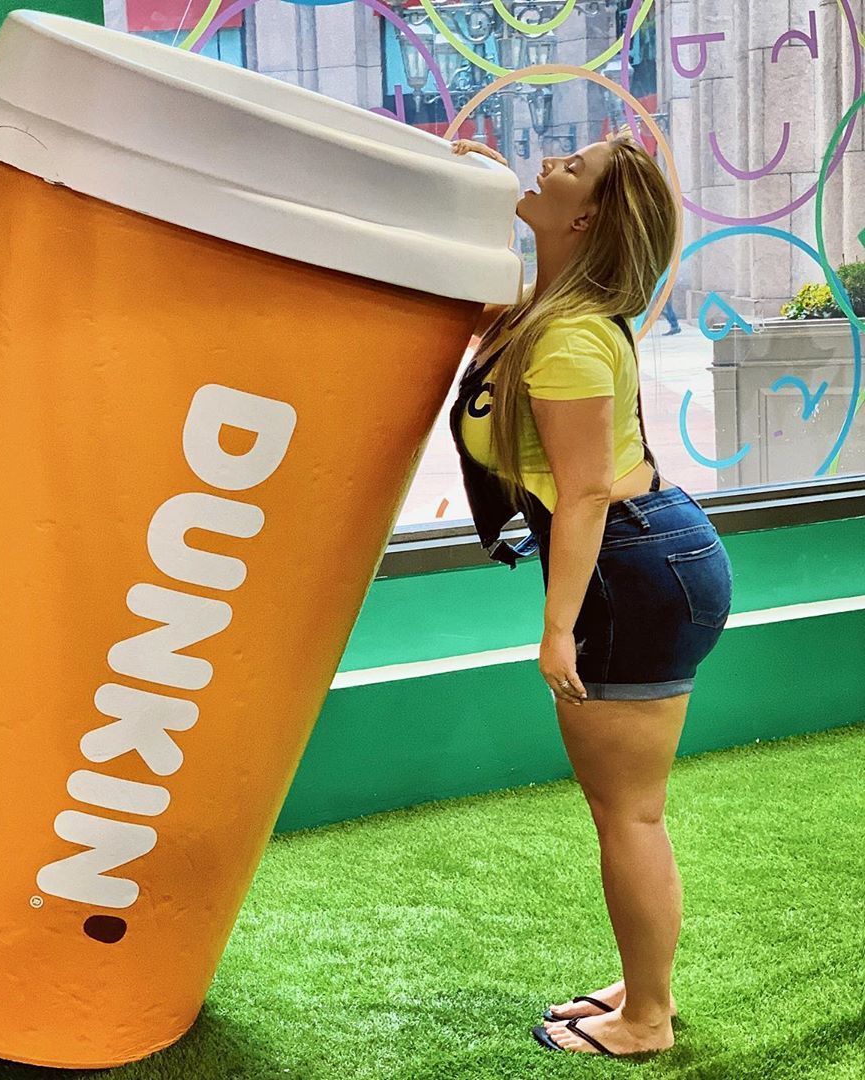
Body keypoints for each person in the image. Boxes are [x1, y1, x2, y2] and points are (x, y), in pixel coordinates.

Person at [449, 132, 733, 1057]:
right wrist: (468, 183)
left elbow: (581, 493)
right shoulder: (544, 312)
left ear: (588, 219)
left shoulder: (567, 335)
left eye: (569, 168)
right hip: (649, 554)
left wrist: (557, 628)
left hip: (630, 566)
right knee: (631, 810)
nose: (545, 164)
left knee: (629, 813)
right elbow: (462, 293)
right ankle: (646, 985)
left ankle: (646, 1020)